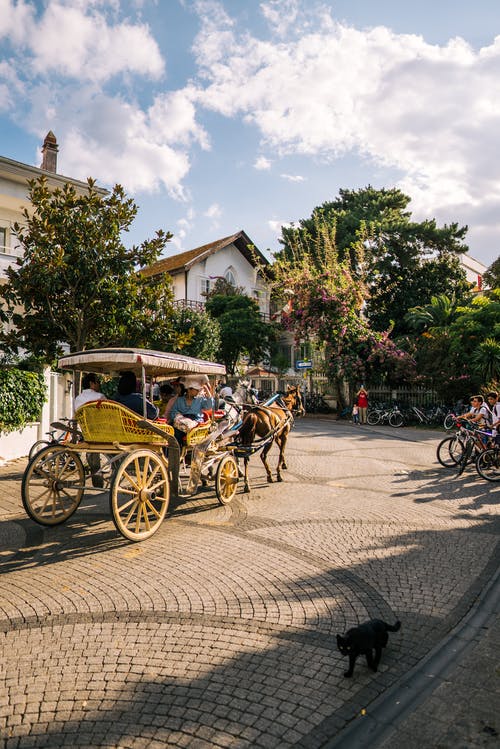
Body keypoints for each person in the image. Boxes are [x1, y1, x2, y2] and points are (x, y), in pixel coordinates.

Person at [73, 373, 106, 488]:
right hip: (101, 433)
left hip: (86, 432)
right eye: (97, 382)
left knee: (93, 455)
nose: (99, 384)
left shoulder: (78, 398)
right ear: (92, 383)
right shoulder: (100, 397)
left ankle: (97, 479)